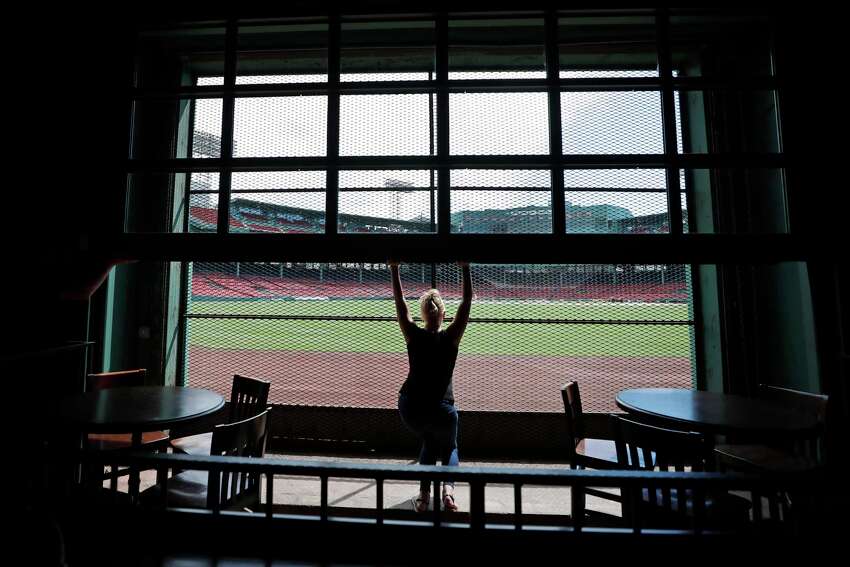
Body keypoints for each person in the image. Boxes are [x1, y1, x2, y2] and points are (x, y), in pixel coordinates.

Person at [388, 260, 473, 513]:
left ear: (423, 314)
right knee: (450, 446)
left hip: (411, 408)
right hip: (443, 409)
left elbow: (400, 305)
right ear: (443, 314)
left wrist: (394, 269)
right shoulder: (451, 337)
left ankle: (424, 497)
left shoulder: (412, 334)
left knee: (428, 438)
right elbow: (466, 303)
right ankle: (448, 491)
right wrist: (465, 268)